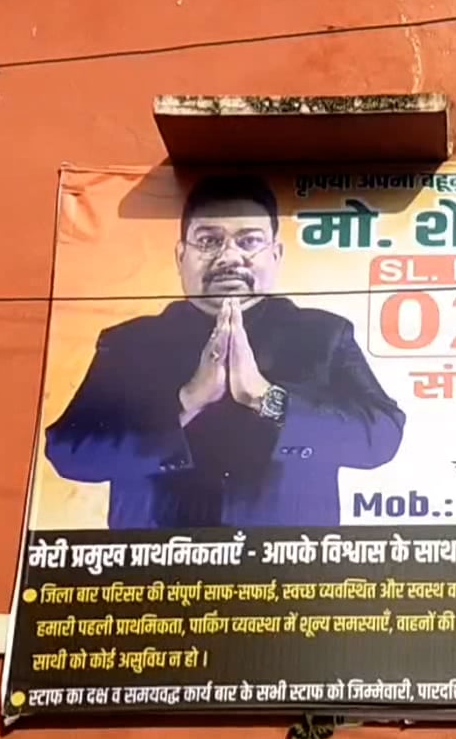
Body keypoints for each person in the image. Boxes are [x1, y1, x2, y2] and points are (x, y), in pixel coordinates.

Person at [44, 174, 405, 529]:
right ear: (181, 256)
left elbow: (384, 436)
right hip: (155, 563)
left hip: (287, 563)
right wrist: (186, 402)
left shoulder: (323, 335)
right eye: (209, 241)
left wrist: (266, 398)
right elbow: (68, 451)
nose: (229, 257)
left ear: (276, 255)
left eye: (249, 241)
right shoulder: (129, 343)